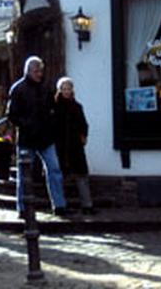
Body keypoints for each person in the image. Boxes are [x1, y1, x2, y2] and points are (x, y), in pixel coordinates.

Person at [6, 56, 70, 216]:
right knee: (23, 174)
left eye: (41, 70)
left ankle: (59, 205)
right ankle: (22, 207)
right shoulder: (18, 89)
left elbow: (53, 108)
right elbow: (11, 114)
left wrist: (52, 123)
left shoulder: (46, 87)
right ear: (28, 71)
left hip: (46, 137)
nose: (40, 74)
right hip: (27, 138)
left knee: (54, 170)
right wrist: (27, 124)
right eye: (37, 71)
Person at [53, 77, 95, 215]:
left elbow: (83, 124)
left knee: (81, 174)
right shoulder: (54, 107)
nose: (66, 91)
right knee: (60, 175)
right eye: (63, 89)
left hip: (75, 145)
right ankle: (60, 205)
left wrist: (83, 135)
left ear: (72, 90)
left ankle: (87, 205)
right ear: (60, 90)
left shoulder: (77, 107)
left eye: (68, 88)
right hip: (59, 145)